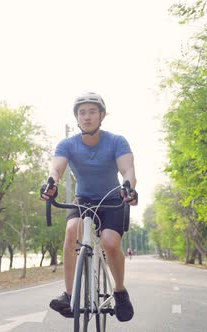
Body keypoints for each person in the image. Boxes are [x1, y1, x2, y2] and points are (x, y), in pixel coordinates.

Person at [40, 92, 138, 322]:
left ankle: (120, 291)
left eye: (92, 111)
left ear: (101, 115)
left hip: (112, 200)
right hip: (83, 201)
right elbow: (56, 170)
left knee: (110, 242)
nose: (86, 117)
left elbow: (128, 171)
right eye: (81, 112)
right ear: (77, 118)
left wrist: (128, 188)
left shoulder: (116, 141)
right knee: (71, 230)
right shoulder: (67, 144)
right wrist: (51, 184)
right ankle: (68, 294)